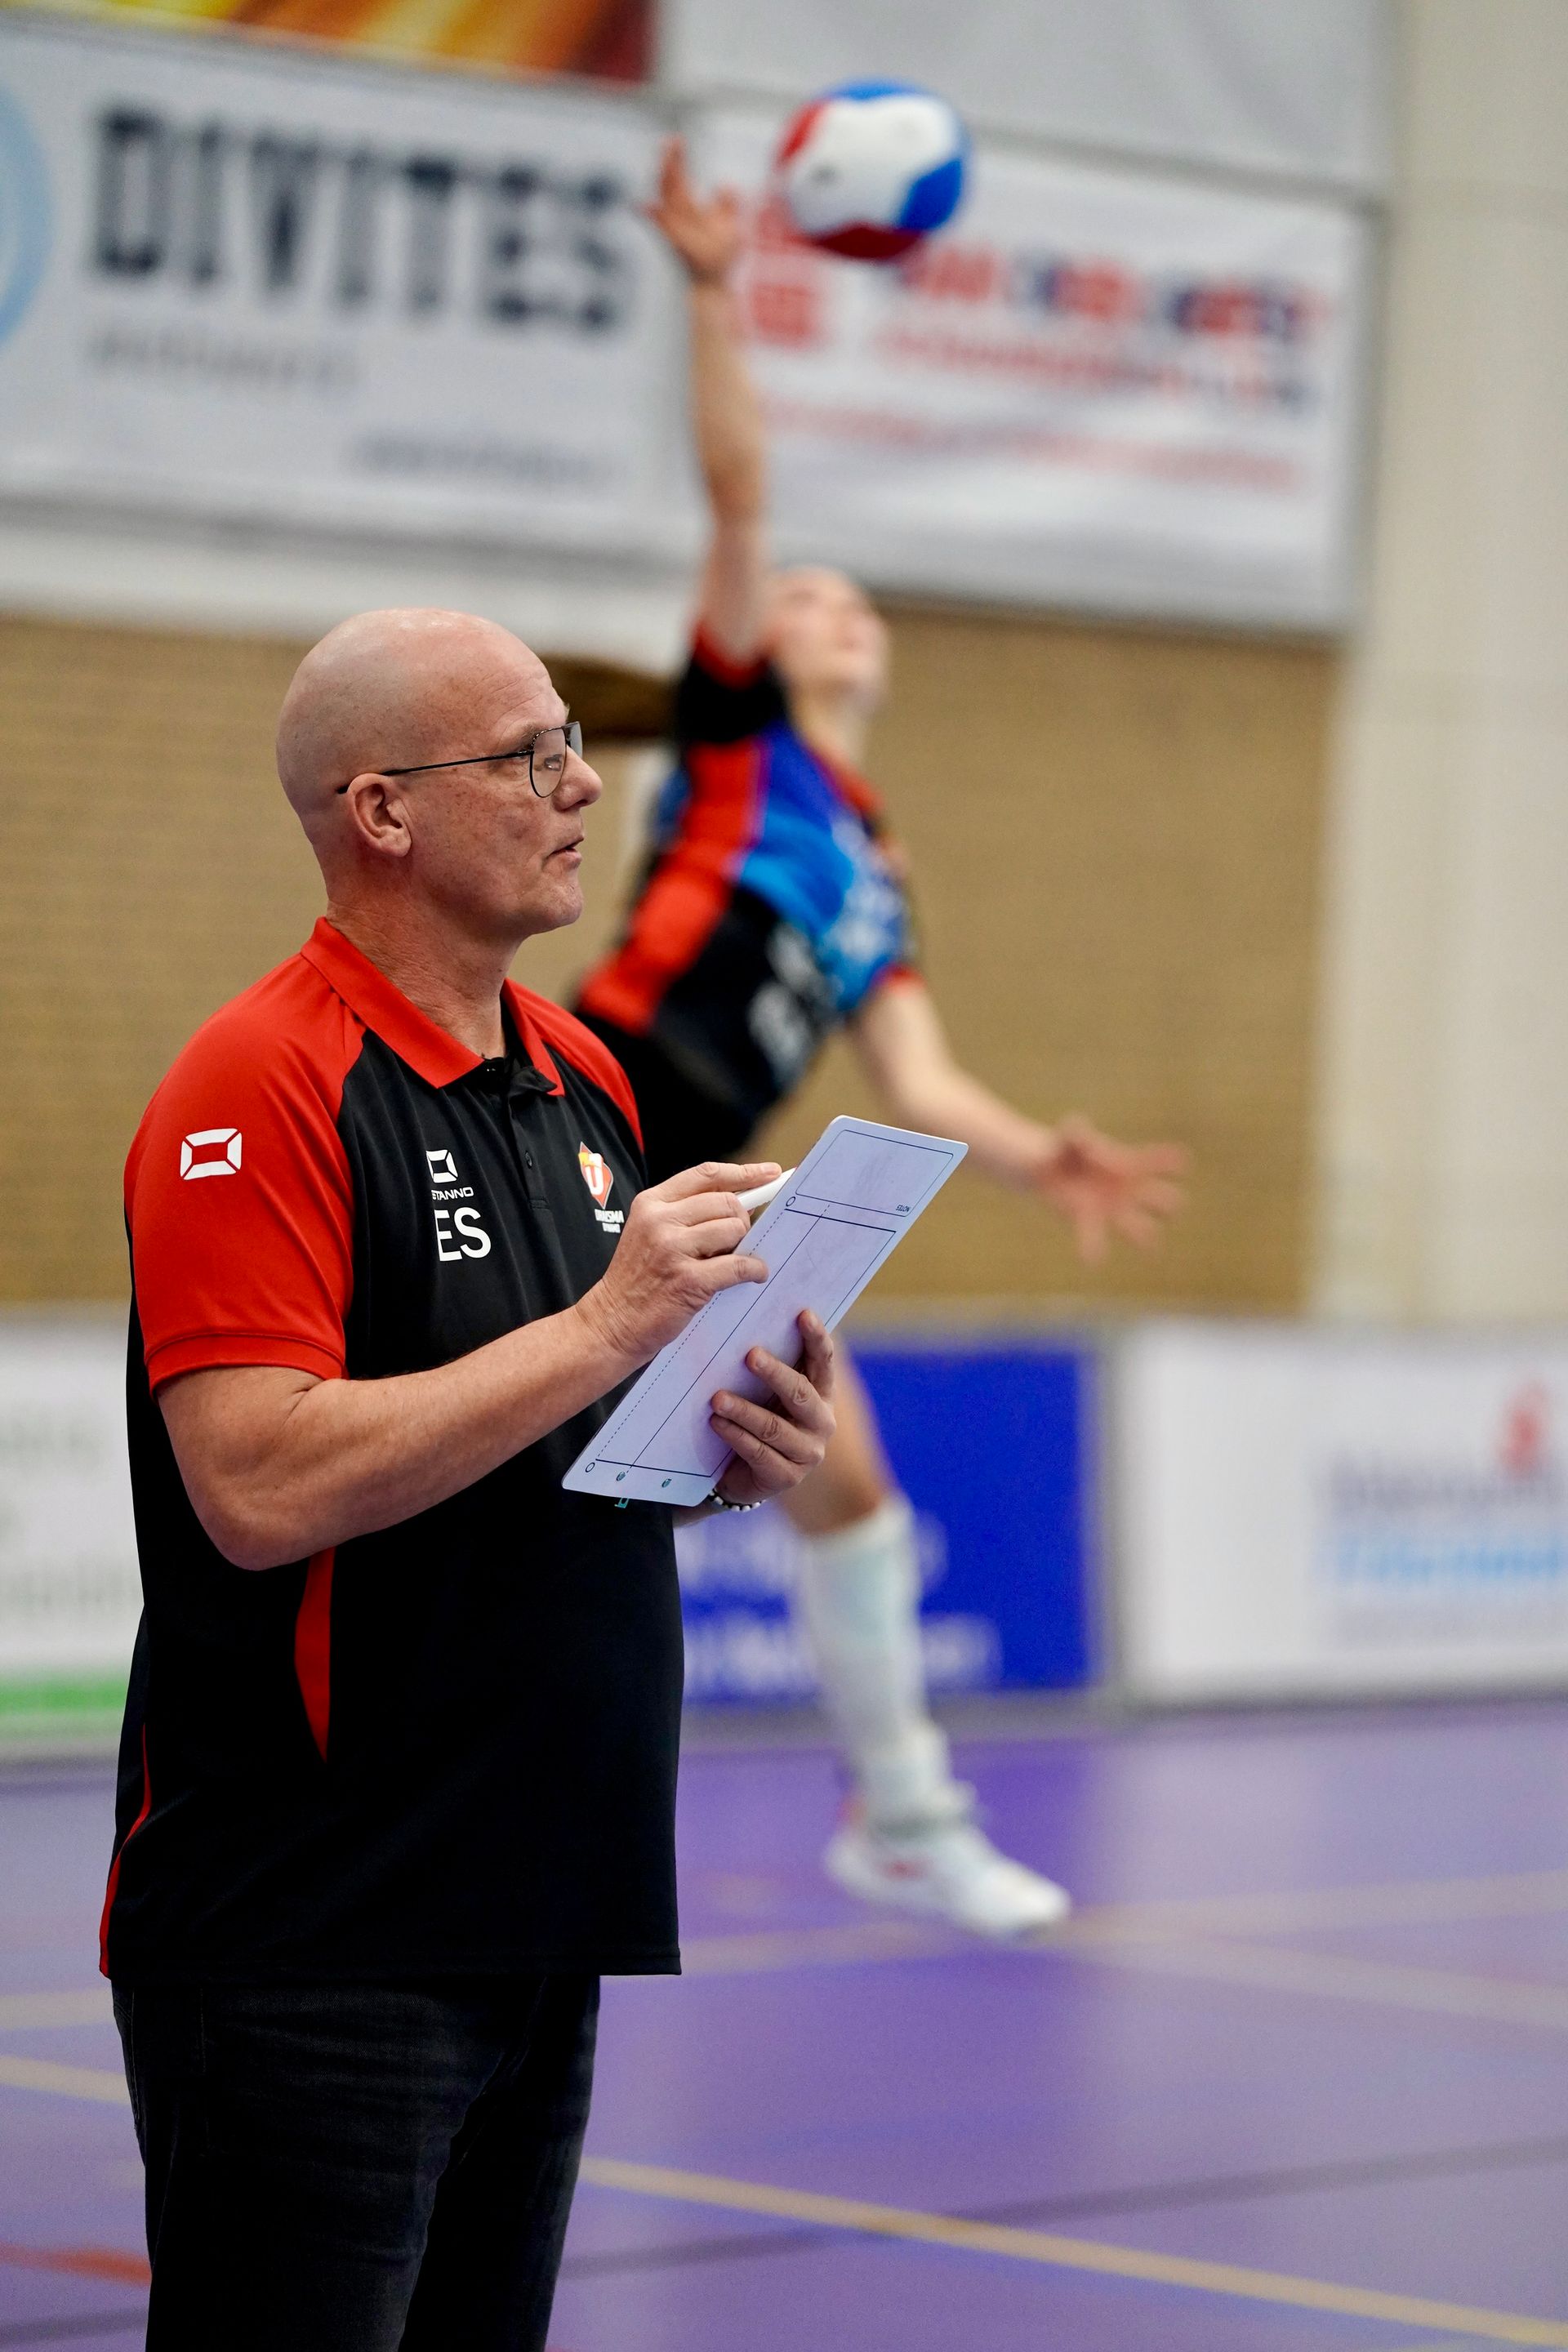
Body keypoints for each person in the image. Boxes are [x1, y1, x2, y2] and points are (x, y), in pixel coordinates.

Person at [102, 606, 837, 2352]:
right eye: (527, 755)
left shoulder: (576, 1074)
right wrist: (609, 1331)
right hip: (316, 1942)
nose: (581, 784)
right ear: (383, 812)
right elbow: (259, 1485)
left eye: (570, 740)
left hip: (539, 1903)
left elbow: (546, 1442)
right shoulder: (258, 1083)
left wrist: (718, 1460)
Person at [577, 142, 1188, 1938]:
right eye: (806, 596)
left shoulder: (873, 857)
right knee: (616, 1465)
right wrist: (712, 288)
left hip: (711, 1171)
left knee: (832, 1460)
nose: (826, 606)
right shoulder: (739, 742)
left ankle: (905, 1814)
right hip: (589, 1108)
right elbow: (742, 486)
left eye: (857, 600)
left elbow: (915, 1079)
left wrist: (1038, 1151)